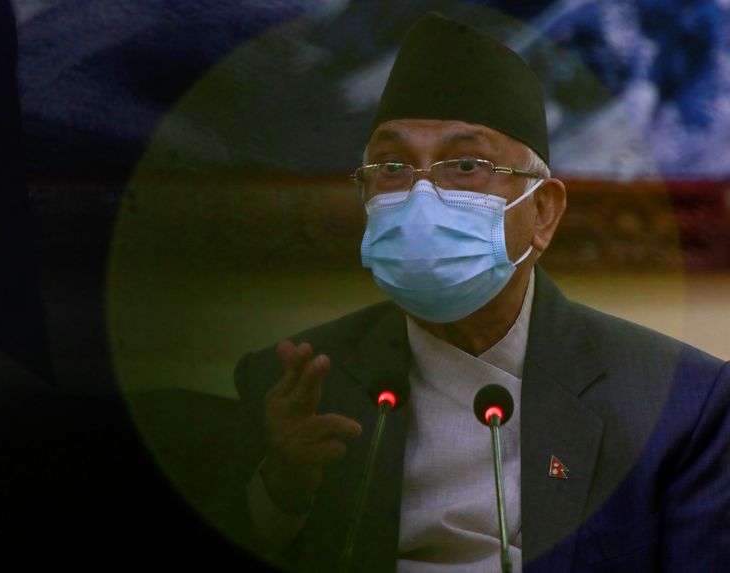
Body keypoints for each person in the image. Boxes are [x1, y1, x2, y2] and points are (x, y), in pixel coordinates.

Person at [230, 11, 730, 573]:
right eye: (391, 165)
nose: (420, 196)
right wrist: (283, 489)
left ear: (543, 212)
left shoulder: (680, 406)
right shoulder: (292, 388)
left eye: (465, 165)